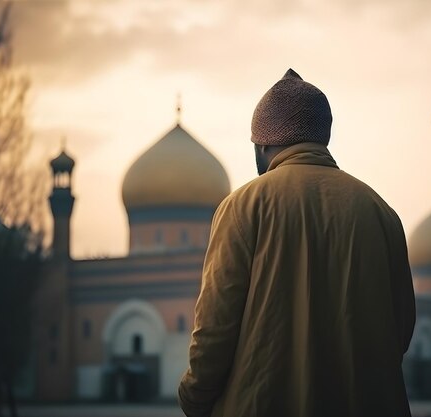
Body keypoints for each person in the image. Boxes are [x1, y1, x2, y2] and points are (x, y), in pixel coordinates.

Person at [178, 68, 415, 417]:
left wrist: (194, 397)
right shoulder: (380, 212)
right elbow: (401, 327)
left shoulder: (243, 206)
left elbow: (215, 327)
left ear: (262, 144)